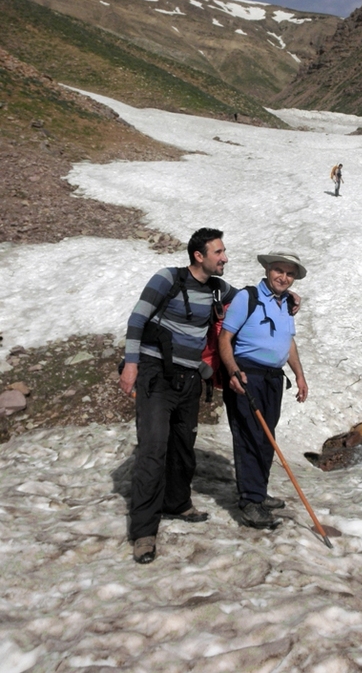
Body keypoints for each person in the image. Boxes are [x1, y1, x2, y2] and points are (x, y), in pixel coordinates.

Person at [120, 227, 238, 564]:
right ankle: (144, 532)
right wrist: (131, 365)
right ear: (199, 256)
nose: (225, 258)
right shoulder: (166, 279)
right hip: (155, 374)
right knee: (153, 449)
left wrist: (287, 297)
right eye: (219, 252)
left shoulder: (217, 289)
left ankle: (177, 502)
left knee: (182, 446)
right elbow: (137, 319)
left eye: (224, 251)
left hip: (189, 379)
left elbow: (244, 297)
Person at [218, 249, 308, 530]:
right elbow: (225, 338)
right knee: (249, 435)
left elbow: (288, 342)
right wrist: (234, 372)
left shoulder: (285, 304)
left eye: (290, 273)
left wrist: (300, 376)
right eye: (279, 270)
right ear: (268, 270)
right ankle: (249, 503)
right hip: (248, 374)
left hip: (273, 378)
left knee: (266, 436)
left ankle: (258, 491)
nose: (283, 277)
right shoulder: (248, 298)